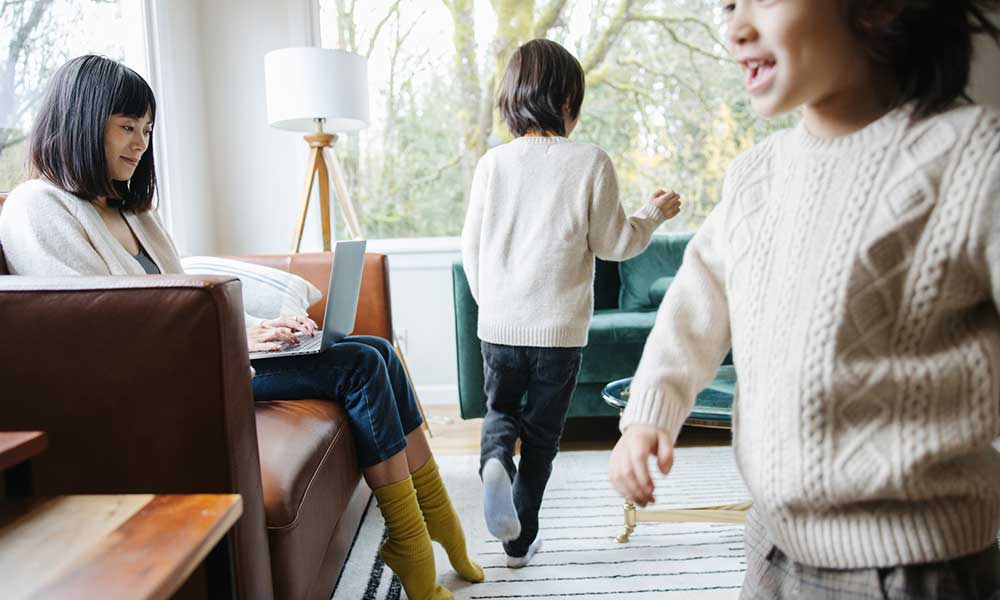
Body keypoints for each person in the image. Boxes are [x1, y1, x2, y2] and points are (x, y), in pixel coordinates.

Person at [0, 55, 480, 600]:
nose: (140, 144)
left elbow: (180, 300)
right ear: (82, 122)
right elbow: (102, 329)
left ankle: (440, 522)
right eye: (127, 127)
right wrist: (230, 339)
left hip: (206, 358)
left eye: (147, 130)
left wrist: (265, 327)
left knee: (376, 350)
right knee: (360, 365)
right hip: (166, 381)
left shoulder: (131, 209)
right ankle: (413, 547)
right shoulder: (36, 207)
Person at [609, 1, 1000, 597]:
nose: (736, 29)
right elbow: (692, 309)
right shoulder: (754, 176)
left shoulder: (971, 157)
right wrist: (648, 416)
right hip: (770, 547)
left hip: (913, 566)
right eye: (728, 6)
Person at [462, 38, 682, 568]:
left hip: (499, 326)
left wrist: (492, 305)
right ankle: (519, 544)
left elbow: (472, 248)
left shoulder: (492, 164)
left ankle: (494, 460)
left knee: (500, 413)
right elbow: (614, 244)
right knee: (541, 440)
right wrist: (653, 214)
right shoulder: (590, 162)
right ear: (567, 102)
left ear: (513, 99)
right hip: (558, 334)